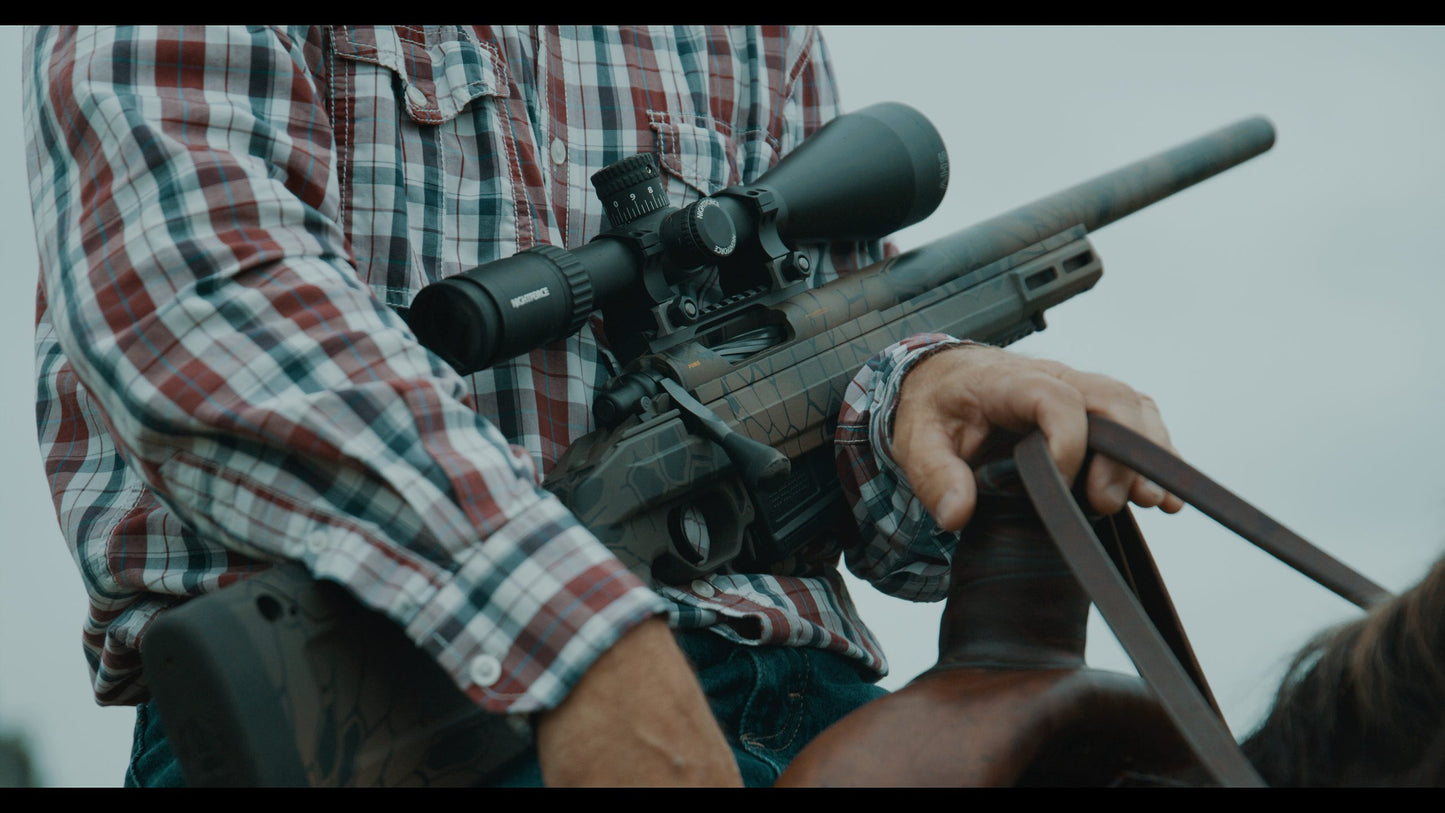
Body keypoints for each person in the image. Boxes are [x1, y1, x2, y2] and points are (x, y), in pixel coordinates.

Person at [23, 25, 1181, 787]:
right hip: (372, 725)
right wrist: (576, 641)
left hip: (811, 709)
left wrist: (918, 394)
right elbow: (194, 294)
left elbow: (800, 345)